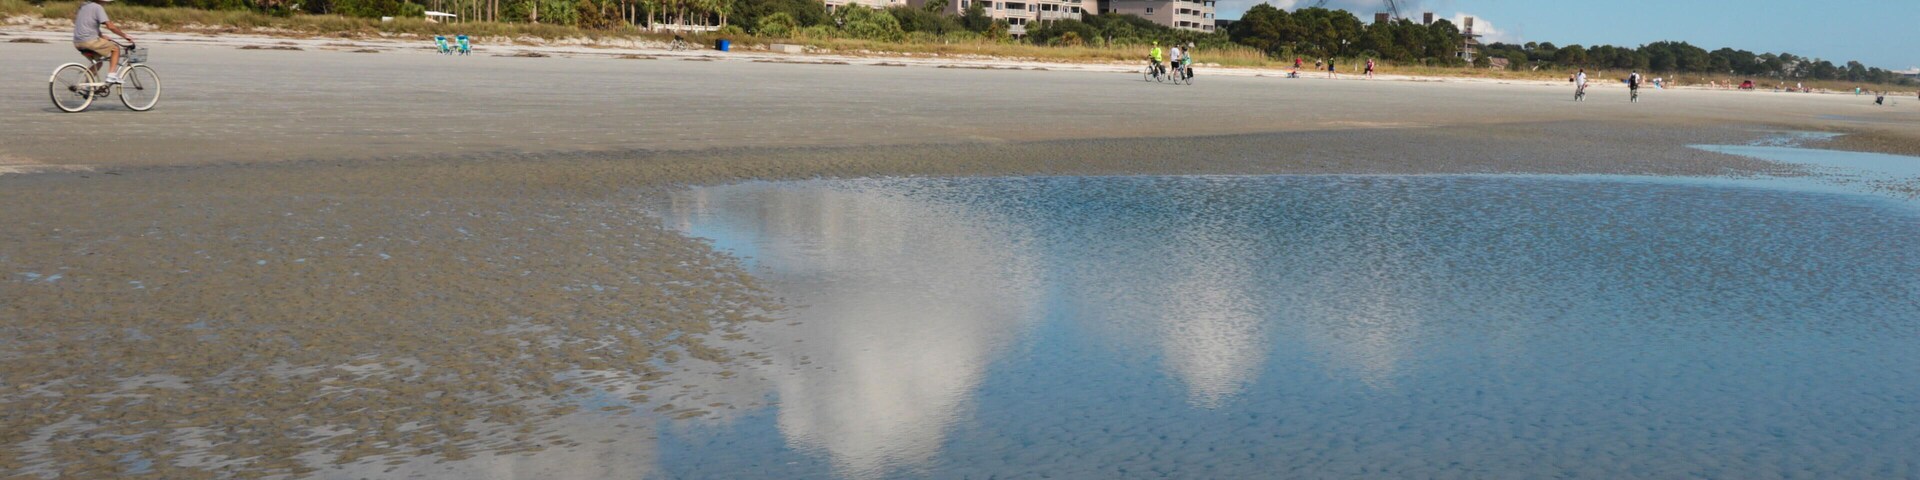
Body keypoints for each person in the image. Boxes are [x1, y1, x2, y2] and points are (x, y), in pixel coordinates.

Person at [72, 0, 135, 84]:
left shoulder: (83, 7)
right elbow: (110, 26)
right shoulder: (97, 7)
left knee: (98, 63)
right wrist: (125, 36)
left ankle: (86, 86)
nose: (106, 3)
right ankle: (111, 75)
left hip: (77, 42)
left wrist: (101, 36)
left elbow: (88, 25)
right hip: (89, 41)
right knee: (115, 48)